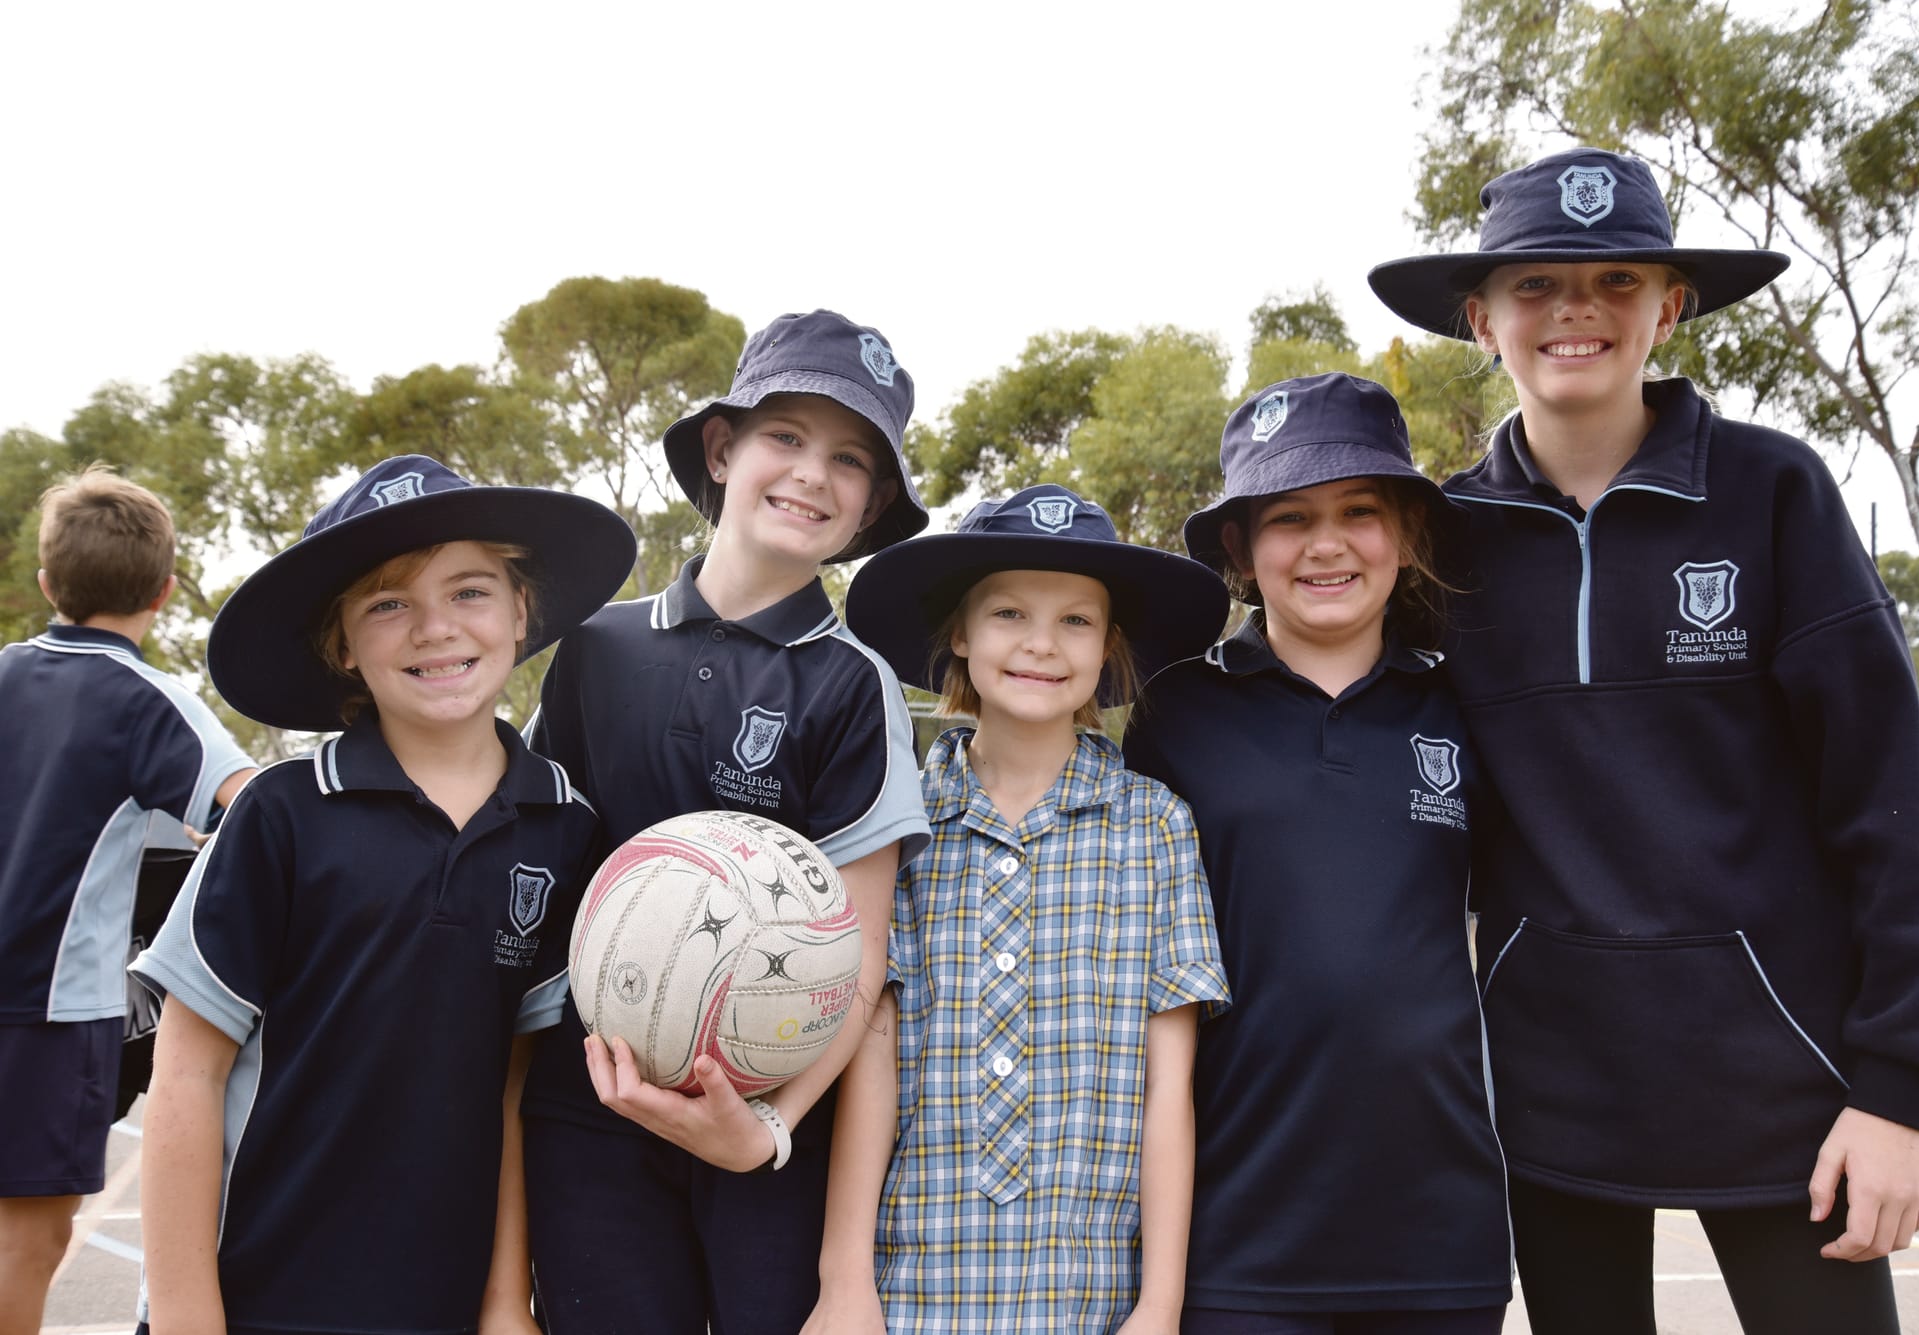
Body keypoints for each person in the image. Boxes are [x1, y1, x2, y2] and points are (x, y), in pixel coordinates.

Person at [1367, 147, 1919, 1334]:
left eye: (1615, 279)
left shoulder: (1774, 493)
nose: (1574, 309)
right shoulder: (1437, 540)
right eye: (1534, 286)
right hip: (1551, 1099)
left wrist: (1897, 1095)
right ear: (1479, 318)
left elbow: (1884, 810)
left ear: (1669, 307)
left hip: (1791, 1092)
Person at [131, 454, 635, 1335]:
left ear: (522, 611)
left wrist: (503, 1303)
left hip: (440, 1305)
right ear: (343, 644)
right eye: (388, 602)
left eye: (470, 591)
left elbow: (514, 1097)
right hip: (257, 1302)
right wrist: (184, 1316)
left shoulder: (565, 830)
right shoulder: (280, 814)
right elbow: (186, 1075)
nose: (435, 627)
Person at [519, 309, 936, 1334]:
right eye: (785, 438)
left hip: (765, 1116)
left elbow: (864, 948)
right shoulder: (596, 650)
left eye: (849, 461)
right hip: (593, 1104)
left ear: (871, 505)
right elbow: (529, 862)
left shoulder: (851, 684)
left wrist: (768, 1132)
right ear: (721, 448)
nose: (811, 476)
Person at [1121, 376, 1513, 1334]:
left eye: (1360, 511)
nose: (1327, 543)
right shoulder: (1179, 711)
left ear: (1407, 535)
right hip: (1236, 1236)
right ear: (1240, 552)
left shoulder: (1466, 707)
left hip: (1440, 1234)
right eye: (1290, 517)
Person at [825, 482, 1231, 1333]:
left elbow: (1170, 1091)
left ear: (1109, 646)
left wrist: (1160, 1305)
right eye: (1009, 612)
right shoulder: (898, 824)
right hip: (915, 1292)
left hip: (1090, 1296)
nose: (1042, 643)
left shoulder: (1154, 826)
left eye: (1076, 620)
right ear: (962, 634)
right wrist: (846, 1281)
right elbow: (873, 1053)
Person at [0, 465, 256, 1335]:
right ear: (164, 589)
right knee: (27, 1245)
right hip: (53, 1010)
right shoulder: (149, 702)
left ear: (47, 584)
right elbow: (253, 811)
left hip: (40, 1006)